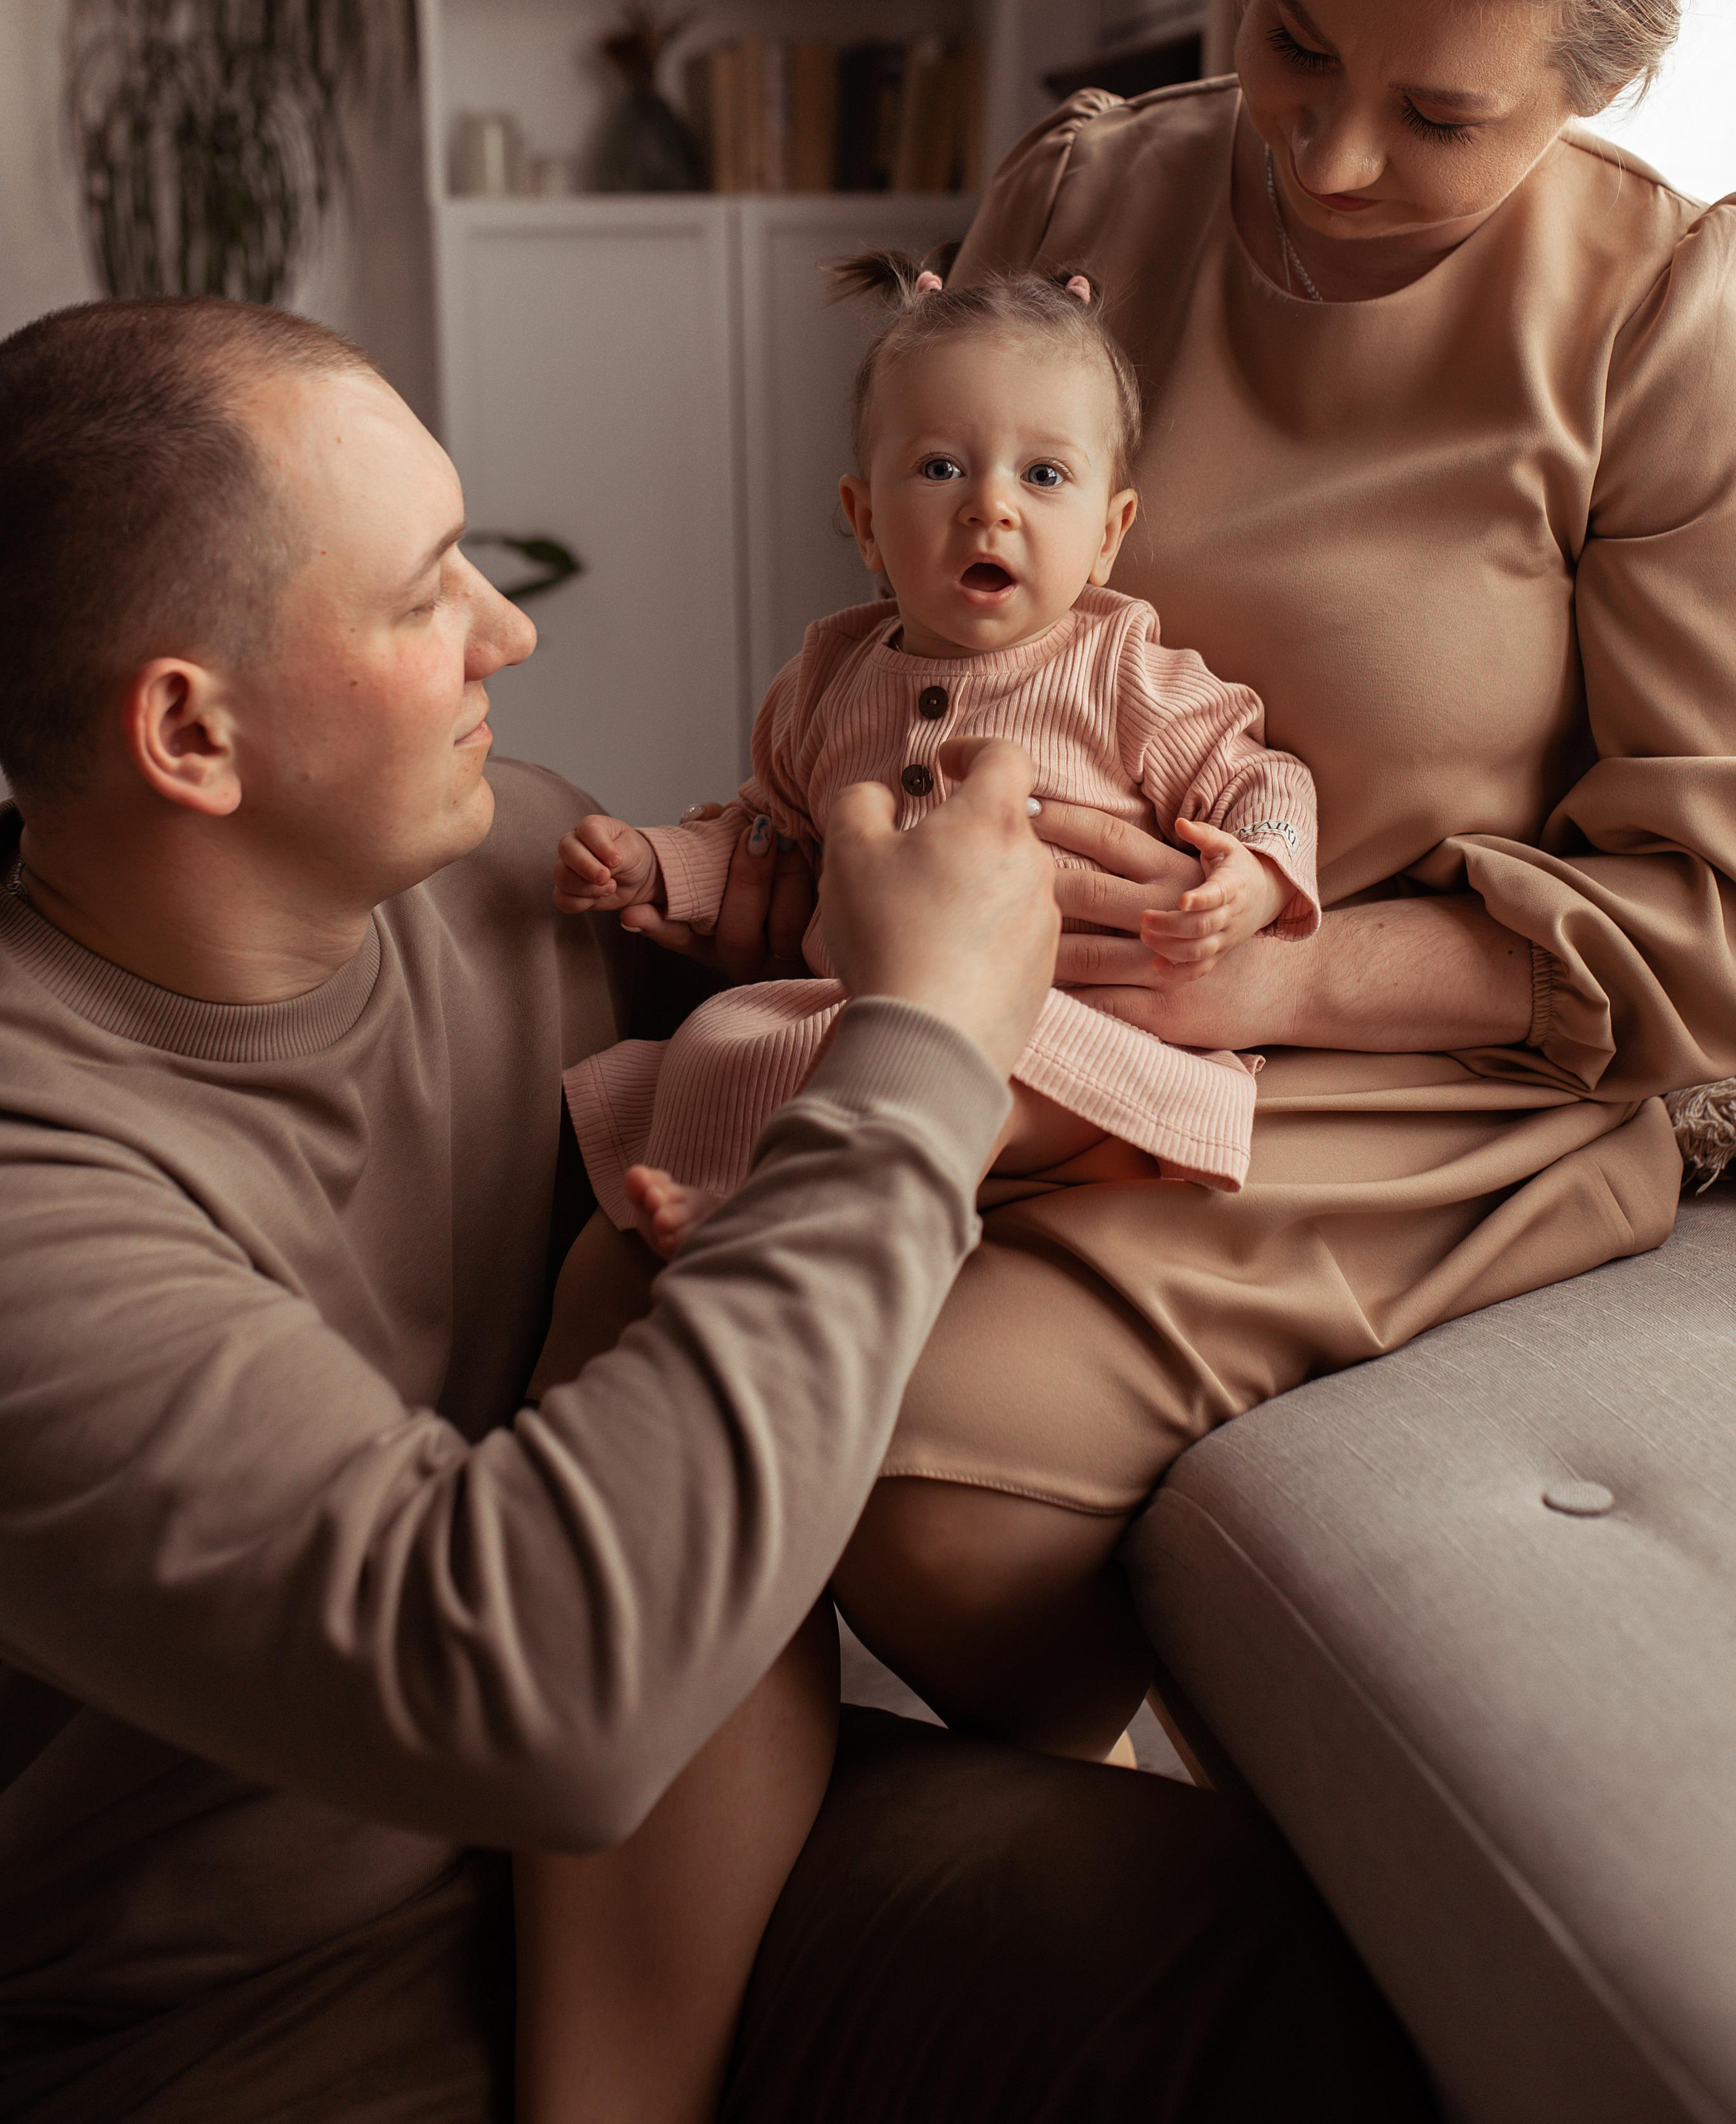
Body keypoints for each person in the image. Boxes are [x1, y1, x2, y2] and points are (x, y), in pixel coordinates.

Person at [0, 298, 1436, 2122]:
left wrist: (1062, 955)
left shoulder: (516, 872)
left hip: (669, 1858)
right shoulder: (31, 1193)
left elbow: (792, 1120)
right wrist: (924, 1040)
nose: (509, 630)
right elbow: (533, 1695)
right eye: (426, 593)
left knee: (1235, 1948)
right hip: (247, 2016)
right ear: (191, 735)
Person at [559, 0, 1736, 1781]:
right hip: (973, 1008)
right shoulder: (1089, 188)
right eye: (1295, 41)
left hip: (1395, 1093)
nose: (1333, 155)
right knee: (632, 1326)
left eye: (1444, 112)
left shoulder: (1668, 326)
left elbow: (1708, 924)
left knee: (887, 1464)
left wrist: (1259, 986)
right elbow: (929, 624)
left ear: (1605, 76)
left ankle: (1136, 1848)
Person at [559, 254, 1319, 1251]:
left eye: (1043, 475)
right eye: (940, 468)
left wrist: (1256, 875)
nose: (989, 506)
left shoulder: (1122, 666)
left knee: (984, 1066)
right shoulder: (828, 678)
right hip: (866, 1010)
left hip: (1052, 1019)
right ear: (867, 520)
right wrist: (659, 863)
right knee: (720, 1043)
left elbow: (1263, 777)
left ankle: (823, 1193)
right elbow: (768, 832)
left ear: (1108, 533)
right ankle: (755, 1197)